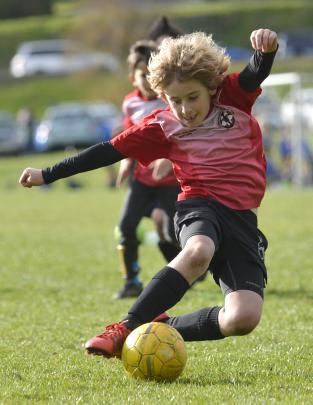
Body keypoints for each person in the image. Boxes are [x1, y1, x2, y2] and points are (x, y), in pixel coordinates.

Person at [19, 28, 278, 359]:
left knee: (242, 319)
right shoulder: (162, 126)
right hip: (199, 206)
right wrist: (48, 174)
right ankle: (125, 327)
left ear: (211, 87)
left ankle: (159, 326)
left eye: (192, 97)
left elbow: (257, 72)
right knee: (199, 250)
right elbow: (105, 151)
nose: (184, 109)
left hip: (242, 220)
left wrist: (265, 52)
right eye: (175, 100)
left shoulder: (233, 97)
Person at [112, 39, 181, 299]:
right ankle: (132, 282)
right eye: (142, 75)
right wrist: (126, 161)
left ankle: (188, 272)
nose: (147, 80)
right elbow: (130, 136)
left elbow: (184, 135)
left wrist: (169, 158)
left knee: (175, 233)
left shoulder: (171, 99)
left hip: (171, 182)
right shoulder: (130, 103)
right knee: (126, 227)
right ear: (132, 77)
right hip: (141, 181)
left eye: (151, 74)